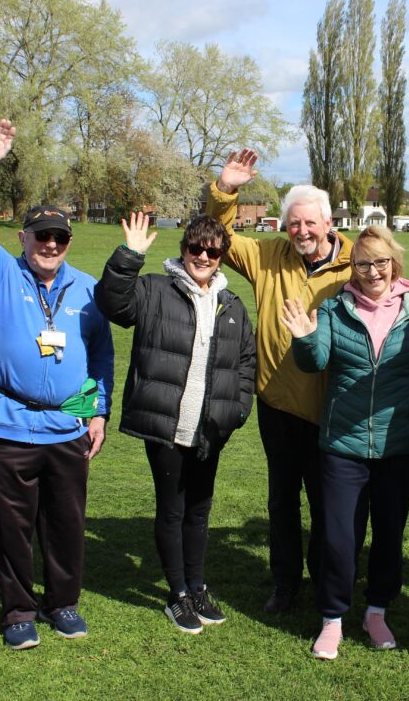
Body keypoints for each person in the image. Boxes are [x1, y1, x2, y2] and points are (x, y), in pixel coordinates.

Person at [0, 120, 114, 650]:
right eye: (40, 235)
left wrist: (96, 413)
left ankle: (63, 603)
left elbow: (101, 357)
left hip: (66, 426)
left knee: (66, 525)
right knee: (10, 528)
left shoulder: (88, 288)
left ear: (69, 242)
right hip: (8, 423)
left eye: (59, 237)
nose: (50, 244)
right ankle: (19, 610)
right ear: (22, 238)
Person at [279, 225, 409, 660]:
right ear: (351, 267)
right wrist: (303, 336)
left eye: (380, 262)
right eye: (362, 263)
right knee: (338, 536)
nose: (372, 271)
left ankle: (376, 610)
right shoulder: (335, 309)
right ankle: (331, 618)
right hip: (343, 446)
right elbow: (315, 361)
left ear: (394, 264)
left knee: (389, 534)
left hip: (399, 446)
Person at [206, 150, 353, 613]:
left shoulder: (356, 265)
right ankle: (286, 583)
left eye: (311, 224)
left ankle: (328, 581)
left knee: (331, 507)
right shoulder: (269, 255)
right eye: (294, 224)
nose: (302, 232)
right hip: (278, 405)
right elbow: (218, 239)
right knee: (283, 502)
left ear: (330, 224)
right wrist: (225, 191)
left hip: (335, 408)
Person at [94, 213, 256, 635]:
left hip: (211, 428)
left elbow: (245, 364)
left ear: (221, 256)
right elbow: (112, 303)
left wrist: (236, 411)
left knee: (199, 511)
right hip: (167, 424)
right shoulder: (152, 289)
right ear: (184, 249)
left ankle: (198, 586)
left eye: (212, 250)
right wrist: (129, 256)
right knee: (173, 509)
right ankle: (177, 594)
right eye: (195, 248)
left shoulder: (232, 304)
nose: (203, 256)